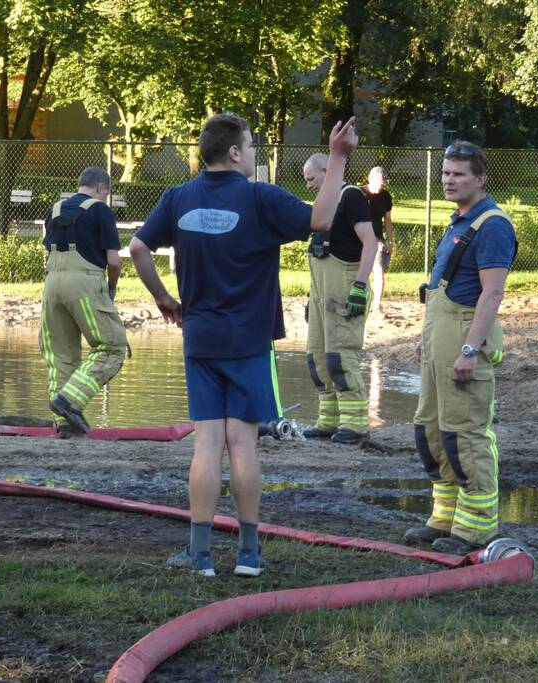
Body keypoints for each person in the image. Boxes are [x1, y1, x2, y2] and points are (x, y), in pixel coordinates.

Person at [129, 113, 360, 577]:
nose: (254, 153)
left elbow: (137, 248)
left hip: (201, 338)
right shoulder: (261, 197)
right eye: (252, 146)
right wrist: (337, 157)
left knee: (207, 443)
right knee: (243, 442)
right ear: (234, 152)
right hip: (250, 341)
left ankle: (199, 554)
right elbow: (321, 219)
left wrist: (163, 298)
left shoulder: (177, 199)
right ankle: (249, 554)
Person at [405, 141, 517, 555]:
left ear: (481, 179)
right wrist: (427, 341)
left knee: (464, 436)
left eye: (458, 174)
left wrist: (470, 349)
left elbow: (492, 294)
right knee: (432, 432)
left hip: (465, 340)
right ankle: (445, 519)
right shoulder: (459, 222)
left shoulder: (492, 225)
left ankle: (477, 528)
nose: (449, 180)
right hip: (441, 338)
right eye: (446, 173)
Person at [40, 166, 128, 436]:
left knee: (61, 356)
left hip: (52, 285)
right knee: (112, 346)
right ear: (101, 187)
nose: (105, 197)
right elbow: (114, 261)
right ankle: (70, 402)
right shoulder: (101, 210)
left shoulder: (55, 209)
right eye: (107, 193)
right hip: (85, 283)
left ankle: (65, 425)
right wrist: (111, 289)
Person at [301, 153, 378, 445]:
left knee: (340, 356)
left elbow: (370, 243)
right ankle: (329, 419)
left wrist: (360, 285)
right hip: (322, 293)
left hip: (346, 289)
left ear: (327, 169)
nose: (309, 185)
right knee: (317, 357)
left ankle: (355, 424)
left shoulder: (351, 197)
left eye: (312, 178)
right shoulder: (324, 204)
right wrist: (312, 299)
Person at [362, 166, 394, 316]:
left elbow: (388, 220)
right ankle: (361, 301)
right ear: (370, 179)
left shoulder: (385, 196)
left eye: (383, 184)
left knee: (379, 272)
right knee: (358, 272)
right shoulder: (359, 194)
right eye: (378, 184)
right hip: (359, 239)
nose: (381, 187)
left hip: (376, 239)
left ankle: (376, 306)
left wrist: (390, 241)